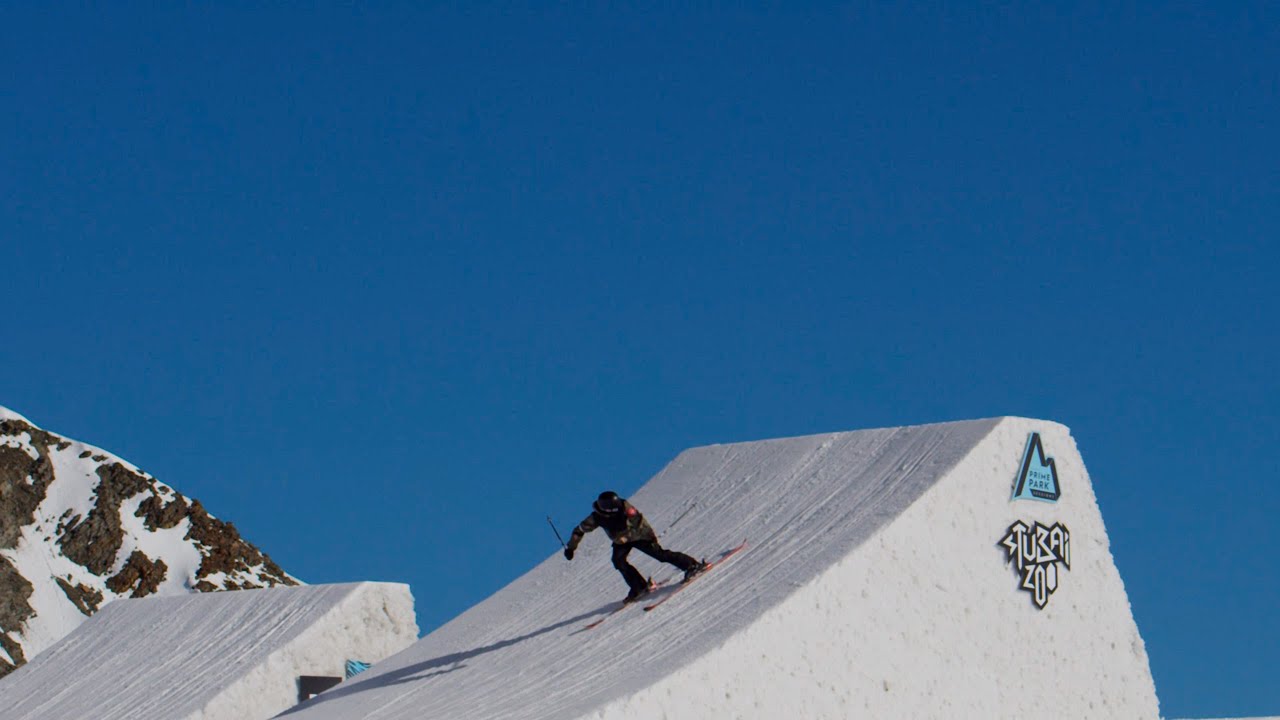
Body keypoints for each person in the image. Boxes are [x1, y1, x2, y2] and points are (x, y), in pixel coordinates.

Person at [563, 491, 707, 603]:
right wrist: (571, 548)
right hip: (621, 541)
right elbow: (579, 530)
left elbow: (638, 523)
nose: (617, 509)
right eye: (613, 509)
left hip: (640, 536)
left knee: (660, 555)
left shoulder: (625, 507)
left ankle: (691, 566)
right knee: (619, 562)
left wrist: (638, 536)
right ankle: (639, 586)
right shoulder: (596, 517)